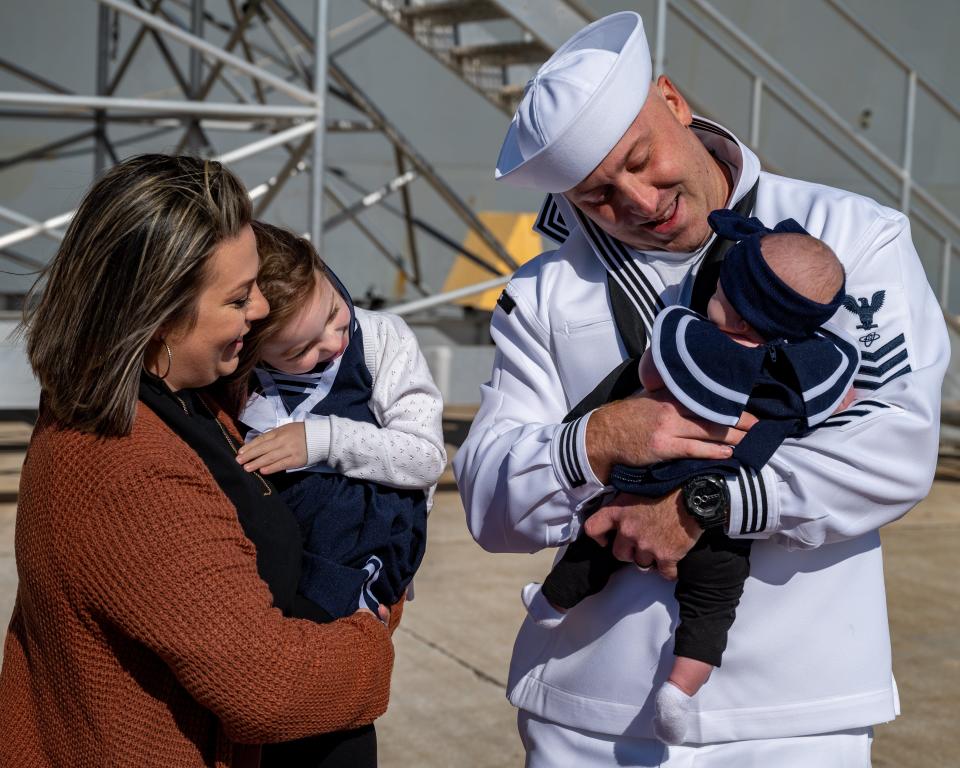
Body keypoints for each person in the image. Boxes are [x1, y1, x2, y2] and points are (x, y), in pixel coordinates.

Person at [453, 11, 949, 765]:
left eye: (643, 158)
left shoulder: (849, 235)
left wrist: (702, 503)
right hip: (585, 717)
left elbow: (898, 446)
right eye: (597, 196)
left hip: (798, 713)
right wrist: (599, 440)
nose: (640, 202)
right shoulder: (545, 290)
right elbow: (489, 503)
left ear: (674, 99)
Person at [0, 154, 401, 768]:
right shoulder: (125, 471)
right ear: (157, 316)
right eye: (239, 299)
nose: (262, 309)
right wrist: (373, 627)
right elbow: (267, 687)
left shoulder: (178, 404)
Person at [521, 211, 860, 745]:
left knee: (599, 535)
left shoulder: (695, 338)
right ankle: (682, 687)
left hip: (652, 479)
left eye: (723, 287)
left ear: (743, 312)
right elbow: (836, 406)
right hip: (733, 504)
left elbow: (651, 374)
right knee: (714, 604)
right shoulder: (807, 362)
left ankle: (549, 604)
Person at [226, 220, 444, 624]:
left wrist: (323, 440)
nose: (331, 341)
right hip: (279, 573)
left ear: (322, 270)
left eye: (332, 312)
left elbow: (427, 457)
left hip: (366, 552)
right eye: (301, 349)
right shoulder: (238, 375)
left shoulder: (382, 340)